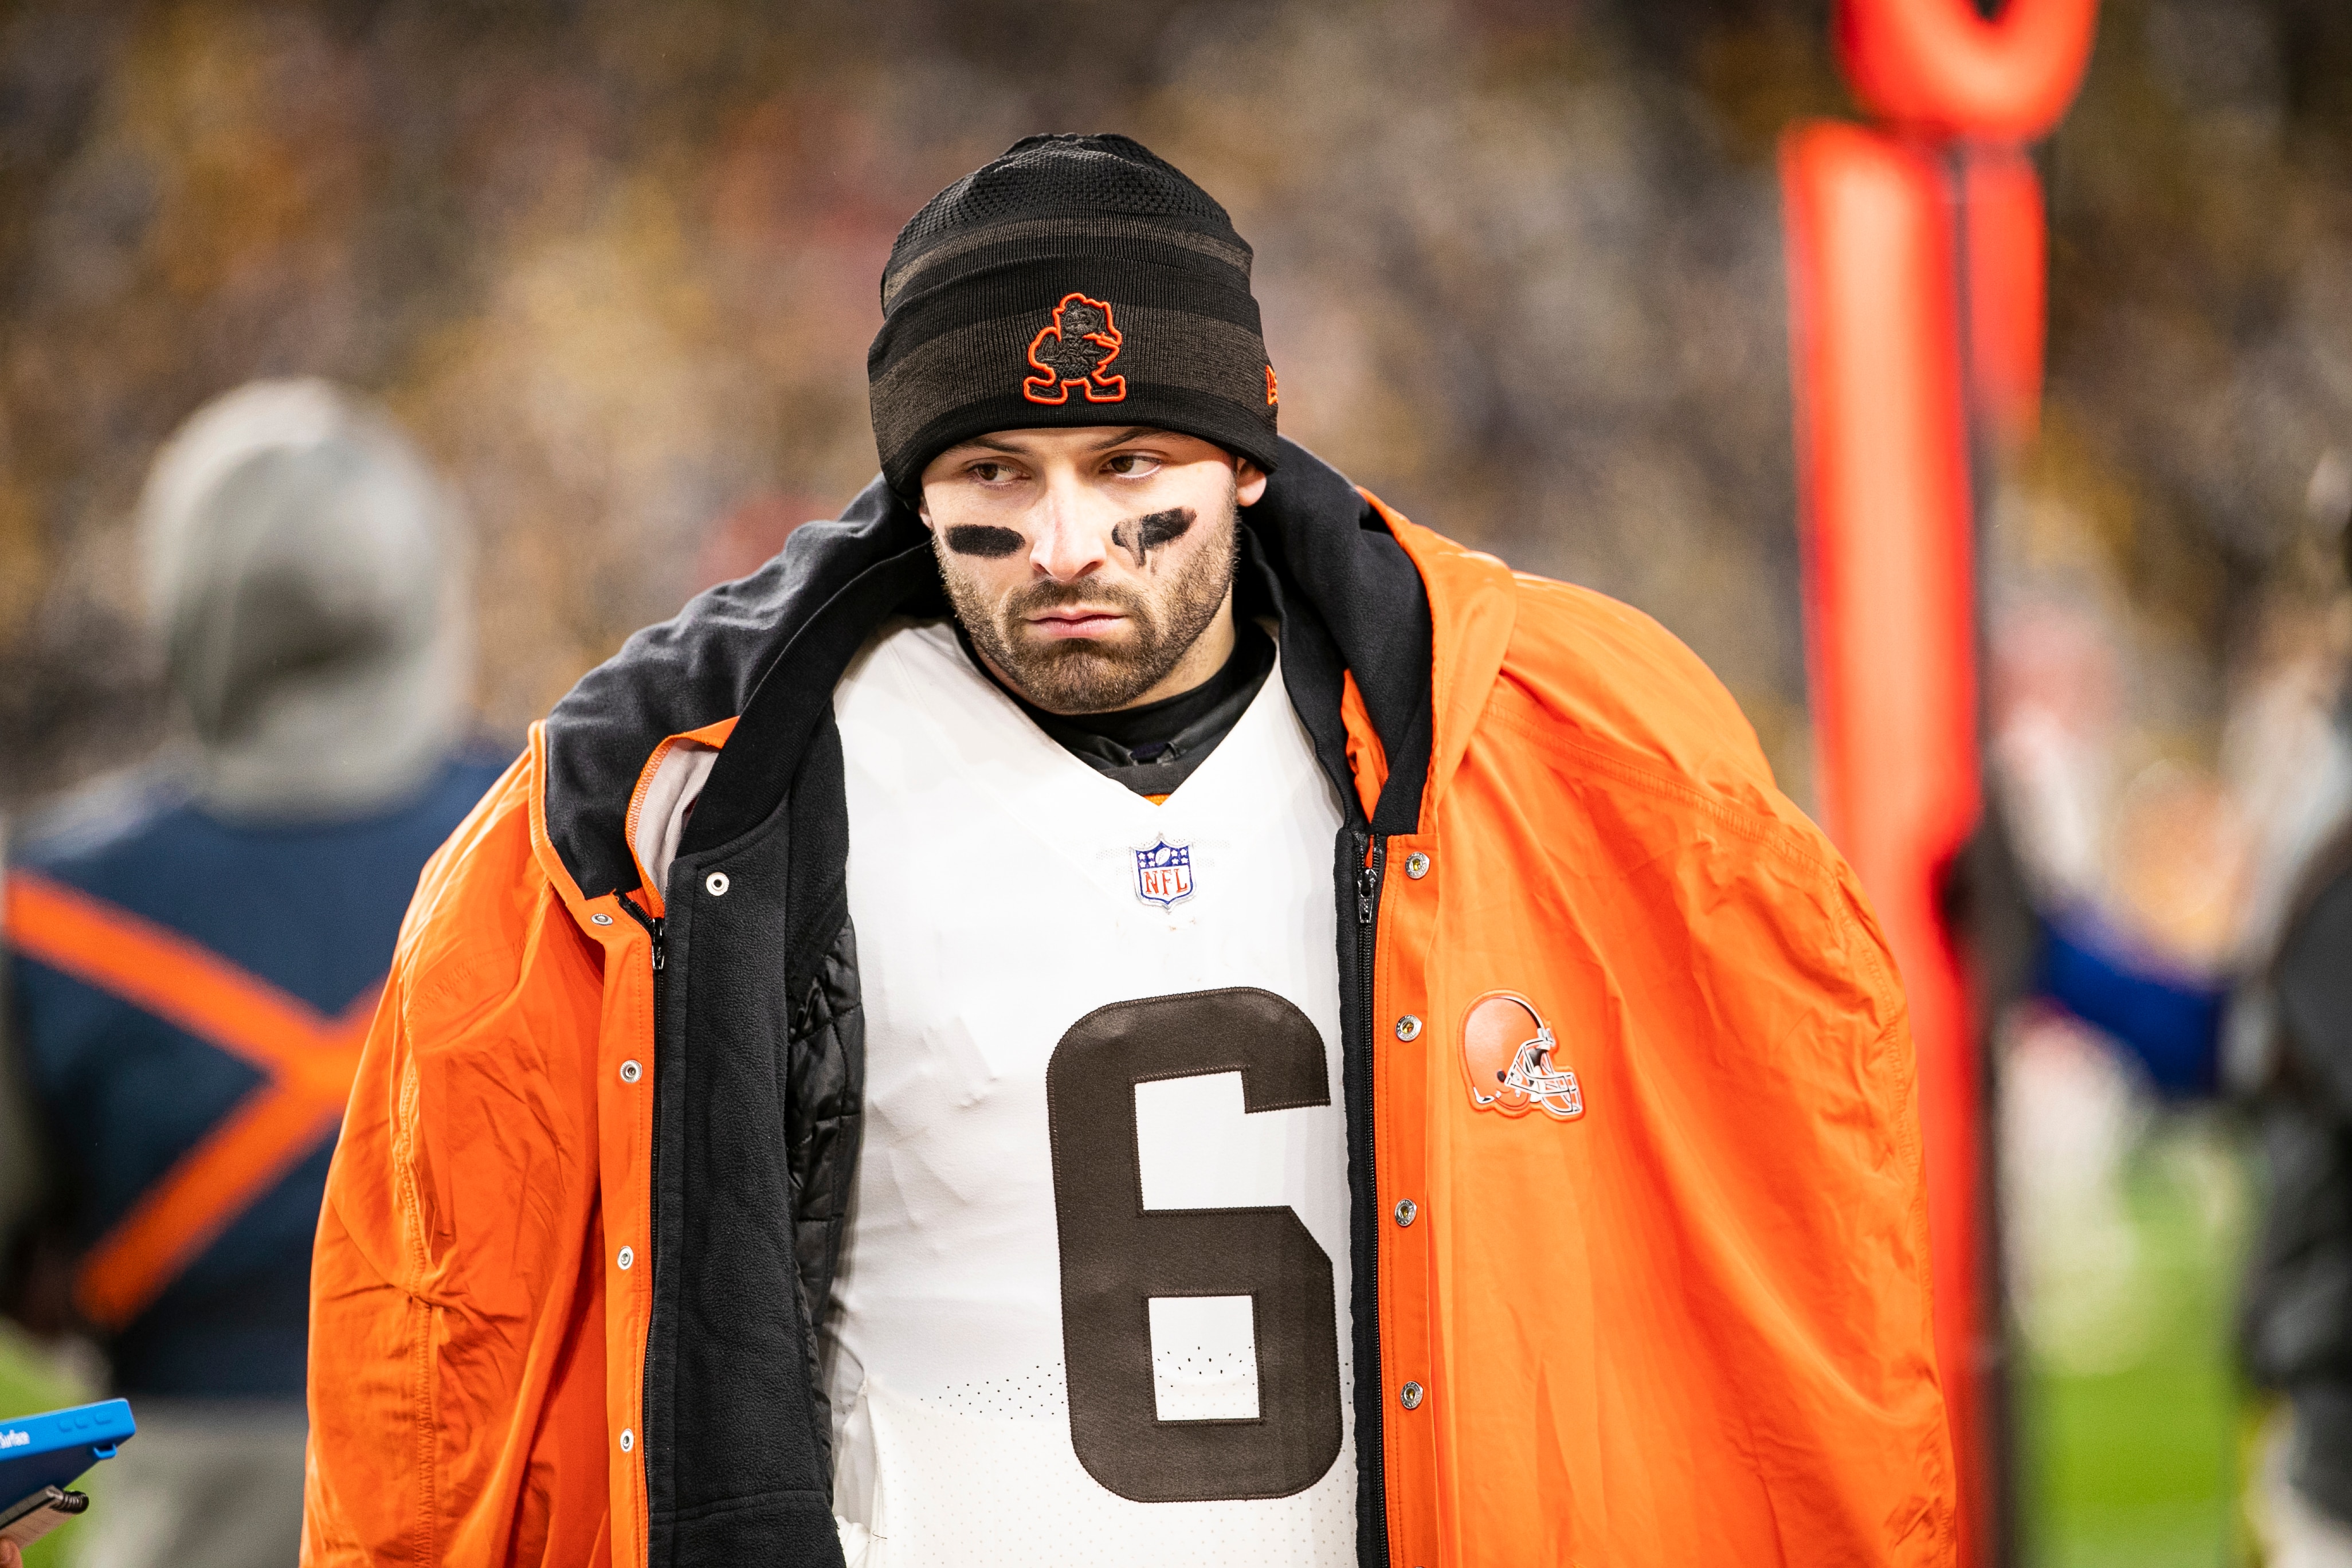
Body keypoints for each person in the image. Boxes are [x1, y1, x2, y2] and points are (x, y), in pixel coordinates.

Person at [302, 134, 1957, 1566]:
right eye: (992, 474)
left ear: (1246, 455)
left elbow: (1807, 1257)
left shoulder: (1560, 744)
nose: (1065, 543)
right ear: (907, 486)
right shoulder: (682, 800)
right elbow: (435, 1343)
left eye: (1128, 464)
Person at [0, 379, 500, 1568]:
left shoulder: (46, 913)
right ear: (428, 598)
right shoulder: (576, 856)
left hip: (182, 1517)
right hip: (502, 1501)